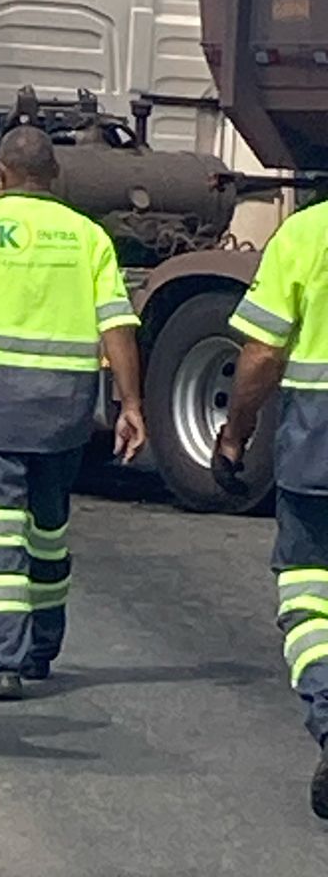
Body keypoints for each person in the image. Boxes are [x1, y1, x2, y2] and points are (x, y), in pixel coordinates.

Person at [0, 125, 146, 702]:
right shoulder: (87, 236)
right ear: (55, 178)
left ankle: (2, 663)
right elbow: (116, 325)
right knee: (47, 532)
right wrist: (131, 404)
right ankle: (42, 649)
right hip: (62, 410)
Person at [215, 201, 328, 818]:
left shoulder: (306, 234)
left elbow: (261, 354)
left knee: (308, 594)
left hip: (318, 447)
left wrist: (236, 431)